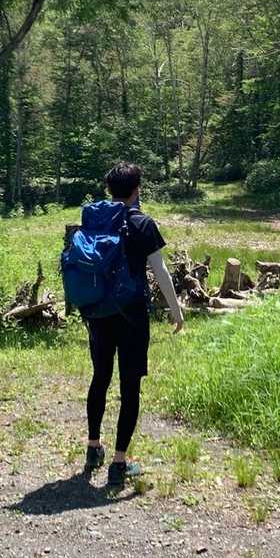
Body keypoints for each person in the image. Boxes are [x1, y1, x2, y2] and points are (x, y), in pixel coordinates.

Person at [84, 162, 184, 487]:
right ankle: (119, 463)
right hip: (132, 316)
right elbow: (160, 271)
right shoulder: (143, 223)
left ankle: (93, 447)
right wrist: (176, 310)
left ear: (110, 190)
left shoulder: (96, 221)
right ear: (137, 189)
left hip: (99, 313)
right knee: (129, 386)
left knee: (100, 377)